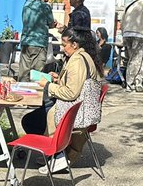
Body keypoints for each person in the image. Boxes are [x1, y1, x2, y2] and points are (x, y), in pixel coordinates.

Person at [23, 27, 103, 167]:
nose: (63, 48)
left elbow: (71, 93)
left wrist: (48, 85)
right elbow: (77, 85)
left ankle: (57, 153)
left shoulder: (77, 60)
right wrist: (58, 79)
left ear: (74, 44)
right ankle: (54, 152)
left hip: (73, 112)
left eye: (64, 45)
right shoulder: (81, 56)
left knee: (31, 120)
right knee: (40, 112)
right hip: (77, 108)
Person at [118, 0, 143, 92]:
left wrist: (123, 35)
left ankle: (139, 81)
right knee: (136, 59)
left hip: (127, 34)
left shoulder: (128, 5)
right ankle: (130, 82)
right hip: (140, 34)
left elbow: (122, 21)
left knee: (136, 58)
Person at [17, 0, 55, 79]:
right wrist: (54, 24)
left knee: (23, 74)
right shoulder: (45, 7)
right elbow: (51, 23)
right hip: (39, 43)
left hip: (26, 41)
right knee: (36, 76)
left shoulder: (27, 3)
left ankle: (21, 92)